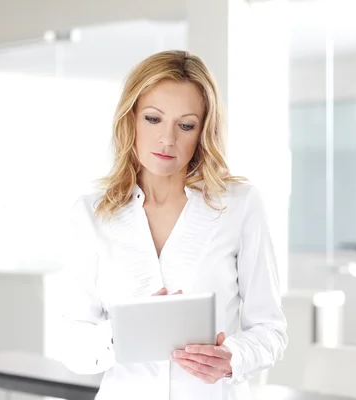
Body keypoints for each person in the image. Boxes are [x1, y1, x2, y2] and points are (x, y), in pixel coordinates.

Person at [59, 50, 287, 400]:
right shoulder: (91, 213)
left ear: (202, 131)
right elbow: (73, 343)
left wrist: (232, 359)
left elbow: (270, 331)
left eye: (185, 125)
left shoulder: (240, 205)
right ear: (130, 119)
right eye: (153, 119)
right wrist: (125, 329)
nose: (167, 139)